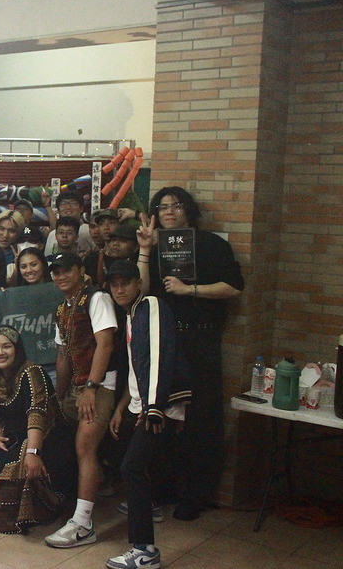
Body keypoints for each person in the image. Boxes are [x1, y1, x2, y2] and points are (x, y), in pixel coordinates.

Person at [138, 186, 243, 522]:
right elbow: (140, 292)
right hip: (168, 341)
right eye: (162, 207)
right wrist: (144, 250)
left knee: (202, 417)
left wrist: (190, 290)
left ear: (189, 210)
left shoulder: (212, 244)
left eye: (176, 205)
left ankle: (197, 495)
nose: (169, 212)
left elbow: (233, 286)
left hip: (202, 340)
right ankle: (164, 488)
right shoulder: (156, 249)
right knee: (165, 414)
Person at [105, 259, 191, 569]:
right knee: (132, 464)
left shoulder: (151, 306)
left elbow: (159, 356)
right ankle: (148, 507)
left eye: (125, 283)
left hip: (159, 405)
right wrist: (123, 408)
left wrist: (154, 407)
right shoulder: (131, 314)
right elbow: (136, 369)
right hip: (146, 404)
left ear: (139, 283)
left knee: (132, 467)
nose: (120, 289)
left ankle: (145, 551)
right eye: (114, 285)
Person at [44, 253, 118, 549]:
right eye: (56, 272)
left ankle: (83, 524)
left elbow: (106, 344)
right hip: (75, 387)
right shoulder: (62, 308)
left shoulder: (97, 298)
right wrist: (58, 396)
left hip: (101, 384)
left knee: (85, 446)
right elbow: (63, 355)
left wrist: (91, 387)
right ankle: (68, 502)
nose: (60, 276)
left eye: (66, 270)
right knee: (62, 441)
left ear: (81, 271)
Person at [0, 326, 62, 534]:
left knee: (16, 476)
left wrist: (33, 452)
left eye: (6, 346)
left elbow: (37, 413)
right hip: (14, 437)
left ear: (17, 349)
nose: (0, 352)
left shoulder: (32, 372)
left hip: (46, 438)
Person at [45, 192, 95, 257]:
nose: (68, 207)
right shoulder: (52, 234)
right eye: (63, 204)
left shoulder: (89, 230)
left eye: (73, 203)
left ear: (81, 208)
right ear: (58, 210)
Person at [0, 209, 25, 280]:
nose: (5, 235)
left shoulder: (22, 255)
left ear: (18, 233)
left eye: (12, 231)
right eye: (1, 229)